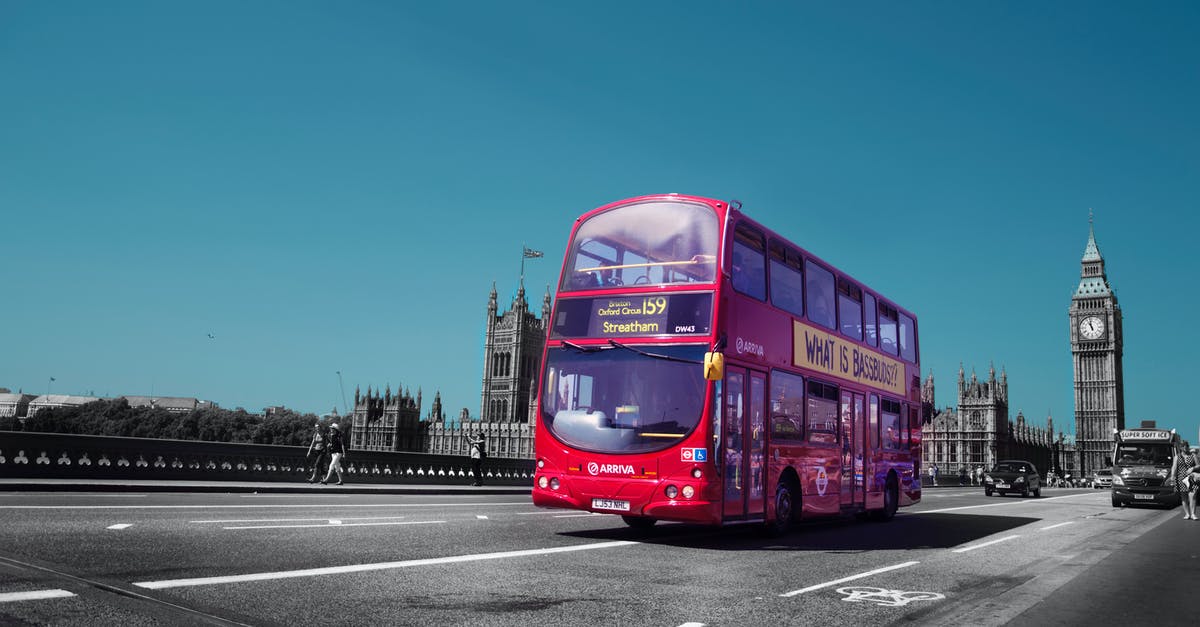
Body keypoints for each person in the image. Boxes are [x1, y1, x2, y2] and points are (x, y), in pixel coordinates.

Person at [1171, 445, 1198, 520]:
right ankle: (1187, 514)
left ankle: (1193, 514)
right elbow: (1174, 467)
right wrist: (1172, 476)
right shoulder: (1177, 457)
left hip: (1191, 477)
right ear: (1180, 448)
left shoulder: (1193, 455)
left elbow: (1199, 465)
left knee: (1193, 496)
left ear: (1188, 447)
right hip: (1181, 478)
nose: (1185, 448)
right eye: (1183, 447)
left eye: (1186, 446)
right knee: (1184, 497)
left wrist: (1193, 468)